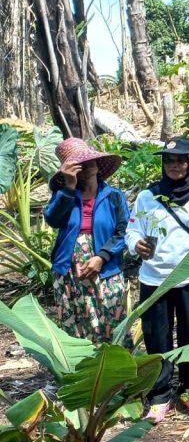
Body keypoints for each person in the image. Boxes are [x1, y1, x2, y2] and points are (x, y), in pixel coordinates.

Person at [125, 137, 189, 422]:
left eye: (180, 160)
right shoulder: (147, 197)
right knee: (157, 338)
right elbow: (131, 231)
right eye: (169, 161)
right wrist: (136, 245)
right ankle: (160, 394)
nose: (174, 166)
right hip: (154, 279)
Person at [44, 138, 128, 345]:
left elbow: (124, 231)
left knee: (112, 318)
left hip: (106, 267)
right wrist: (69, 188)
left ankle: (117, 372)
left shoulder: (114, 196)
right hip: (70, 271)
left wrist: (101, 257)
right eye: (80, 163)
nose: (87, 164)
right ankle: (86, 373)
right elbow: (53, 220)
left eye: (90, 160)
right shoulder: (63, 195)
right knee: (78, 322)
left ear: (98, 164)